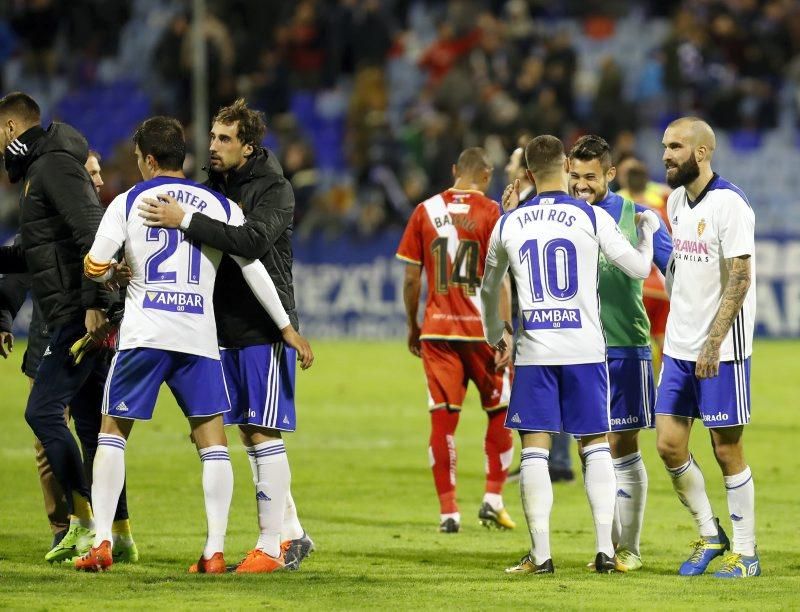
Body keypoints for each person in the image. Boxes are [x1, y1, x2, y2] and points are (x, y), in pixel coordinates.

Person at [74, 116, 312, 573]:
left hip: (145, 335)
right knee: (214, 444)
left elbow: (94, 263)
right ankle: (214, 552)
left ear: (146, 158)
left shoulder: (129, 199)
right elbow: (252, 264)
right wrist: (286, 325)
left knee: (112, 432)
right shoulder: (218, 202)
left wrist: (112, 272)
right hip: (201, 338)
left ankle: (102, 540)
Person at [484, 135, 659, 574]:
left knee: (535, 451)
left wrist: (496, 334)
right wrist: (648, 235)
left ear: (526, 174)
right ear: (565, 164)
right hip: (585, 348)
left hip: (535, 351)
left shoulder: (509, 222)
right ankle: (605, 550)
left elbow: (487, 290)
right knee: (595, 445)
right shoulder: (589, 215)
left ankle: (541, 555)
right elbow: (640, 268)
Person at [0, 149, 138, 561]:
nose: (97, 182)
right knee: (53, 440)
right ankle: (66, 527)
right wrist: (3, 316)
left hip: (81, 341)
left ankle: (96, 525)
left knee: (88, 433)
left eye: (98, 174)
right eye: (90, 174)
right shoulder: (51, 228)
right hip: (47, 343)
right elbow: (16, 278)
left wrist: (110, 303)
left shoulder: (106, 230)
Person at [655, 117, 759, 578]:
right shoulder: (677, 200)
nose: (665, 155)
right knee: (669, 445)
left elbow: (740, 276)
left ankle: (747, 552)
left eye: (675, 146)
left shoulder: (730, 205)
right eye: (664, 145)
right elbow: (682, 271)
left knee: (726, 450)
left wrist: (713, 342)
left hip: (721, 350)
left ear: (701, 152)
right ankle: (710, 533)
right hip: (679, 346)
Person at [567, 135, 673, 571]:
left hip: (625, 346)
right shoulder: (561, 216)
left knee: (622, 444)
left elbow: (675, 270)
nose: (581, 185)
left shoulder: (637, 215)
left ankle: (629, 548)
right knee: (589, 446)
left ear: (610, 175)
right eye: (574, 176)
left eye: (590, 177)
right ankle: (607, 549)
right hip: (575, 348)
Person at [396, 147, 515, 534]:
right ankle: (493, 499)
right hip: (482, 331)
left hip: (437, 331)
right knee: (501, 411)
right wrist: (506, 331)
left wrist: (414, 324)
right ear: (487, 174)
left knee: (443, 419)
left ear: (454, 170)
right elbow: (501, 279)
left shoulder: (424, 211)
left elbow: (413, 278)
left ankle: (449, 512)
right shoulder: (493, 213)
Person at [504, 140, 574, 484]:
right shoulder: (523, 206)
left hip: (542, 313)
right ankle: (546, 460)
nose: (507, 170)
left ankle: (553, 461)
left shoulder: (531, 209)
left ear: (527, 172)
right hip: (544, 313)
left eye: (513, 164)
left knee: (546, 386)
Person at [619, 161, 671, 370]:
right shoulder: (661, 202)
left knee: (632, 345)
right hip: (662, 285)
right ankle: (666, 391)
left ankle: (640, 391)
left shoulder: (619, 204)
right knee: (664, 343)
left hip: (633, 286)